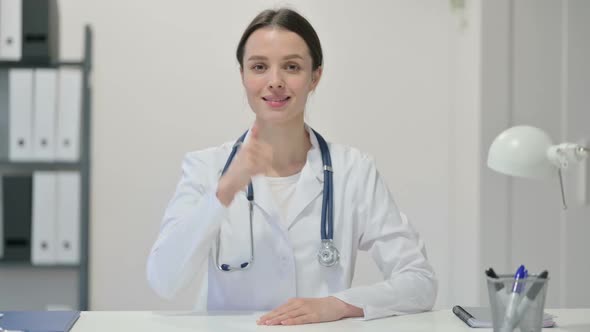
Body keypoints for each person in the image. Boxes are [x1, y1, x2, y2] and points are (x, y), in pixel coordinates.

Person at [147, 7, 437, 325]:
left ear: (315, 76)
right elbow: (164, 280)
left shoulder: (354, 170)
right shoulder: (206, 167)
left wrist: (339, 303)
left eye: (292, 67)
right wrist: (224, 191)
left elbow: (419, 282)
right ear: (242, 74)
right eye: (259, 67)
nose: (275, 81)